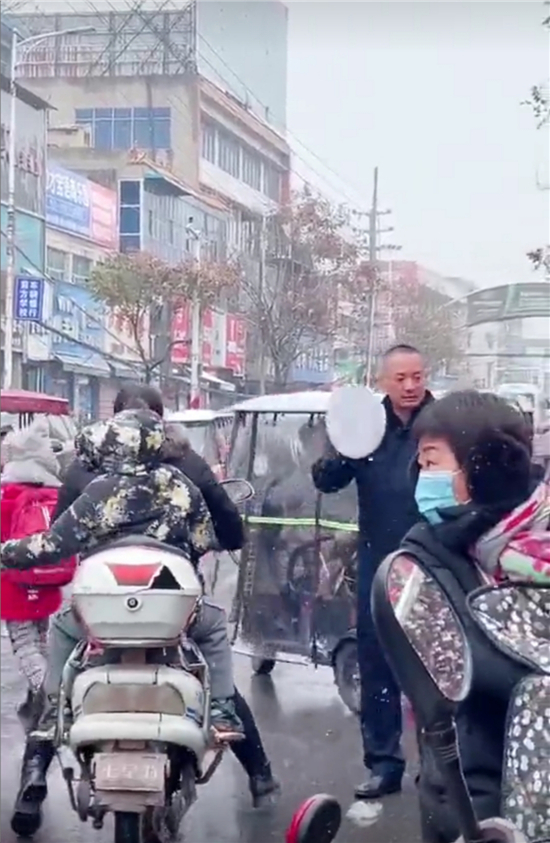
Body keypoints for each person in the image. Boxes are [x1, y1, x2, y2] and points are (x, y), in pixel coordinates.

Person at [2, 408, 242, 838]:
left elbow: (53, 544)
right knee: (213, 627)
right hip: (171, 614)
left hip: (104, 615)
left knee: (63, 628)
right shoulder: (180, 486)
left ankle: (55, 710)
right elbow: (205, 540)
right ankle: (223, 711)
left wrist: (7, 552)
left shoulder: (99, 491)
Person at [55, 384, 280, 810]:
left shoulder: (84, 470)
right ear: (162, 420)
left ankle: (34, 774)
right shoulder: (187, 466)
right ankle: (259, 774)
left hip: (102, 611)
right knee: (216, 672)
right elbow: (228, 532)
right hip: (172, 607)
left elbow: (58, 534)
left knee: (59, 677)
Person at [401, 389, 548, 843]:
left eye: (432, 462)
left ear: (485, 468)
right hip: (474, 795)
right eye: (422, 463)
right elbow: (462, 665)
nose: (421, 476)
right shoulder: (425, 553)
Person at [312, 344, 433, 799]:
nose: (410, 386)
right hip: (378, 561)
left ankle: (437, 763)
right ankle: (383, 764)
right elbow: (326, 480)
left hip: (433, 561)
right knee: (376, 663)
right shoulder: (366, 424)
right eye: (400, 378)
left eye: (417, 376)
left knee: (433, 663)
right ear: (383, 381)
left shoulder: (442, 424)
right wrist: (339, 449)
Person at [1, 421, 75, 729]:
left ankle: (52, 698)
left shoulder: (8, 495)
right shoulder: (52, 493)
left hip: (14, 583)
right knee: (42, 639)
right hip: (46, 578)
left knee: (24, 644)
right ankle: (43, 697)